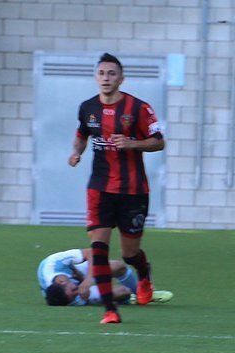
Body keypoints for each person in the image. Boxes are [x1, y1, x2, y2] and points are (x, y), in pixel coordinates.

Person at [68, 53, 165, 324]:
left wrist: (133, 143)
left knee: (129, 253)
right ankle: (110, 310)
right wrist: (76, 153)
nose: (106, 78)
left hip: (133, 190)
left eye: (112, 74)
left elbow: (159, 141)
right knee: (98, 247)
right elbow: (81, 136)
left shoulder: (139, 108)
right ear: (96, 77)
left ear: (121, 78)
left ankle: (143, 275)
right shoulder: (87, 108)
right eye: (102, 73)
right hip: (99, 188)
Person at [38, 248, 173, 307]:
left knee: (119, 266)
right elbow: (74, 297)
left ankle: (143, 293)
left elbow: (91, 253)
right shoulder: (66, 298)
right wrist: (86, 298)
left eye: (74, 291)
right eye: (74, 296)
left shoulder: (54, 262)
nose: (76, 293)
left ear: (62, 282)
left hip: (77, 272)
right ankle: (132, 298)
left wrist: (86, 280)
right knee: (123, 292)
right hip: (74, 278)